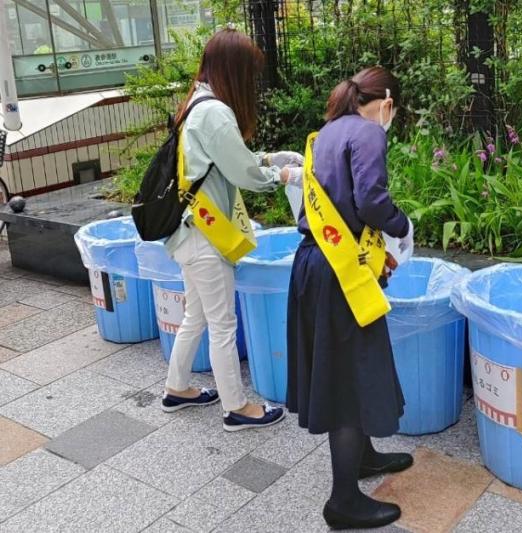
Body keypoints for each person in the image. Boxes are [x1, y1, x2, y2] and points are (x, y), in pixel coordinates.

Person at [287, 66, 415, 529]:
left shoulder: (325, 134)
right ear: (385, 103)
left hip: (318, 264)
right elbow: (372, 203)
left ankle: (363, 457)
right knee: (348, 377)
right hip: (339, 275)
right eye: (394, 110)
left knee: (351, 368)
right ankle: (343, 500)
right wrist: (403, 226)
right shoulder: (367, 133)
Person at [161, 28, 303, 432]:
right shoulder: (215, 112)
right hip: (207, 239)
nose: (251, 82)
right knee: (223, 324)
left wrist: (270, 158)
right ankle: (237, 407)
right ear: (233, 70)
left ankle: (177, 388)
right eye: (249, 73)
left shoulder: (196, 103)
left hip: (188, 232)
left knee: (197, 316)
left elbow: (224, 160)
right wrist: (285, 175)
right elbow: (243, 173)